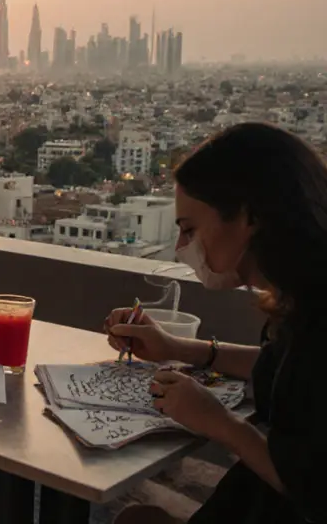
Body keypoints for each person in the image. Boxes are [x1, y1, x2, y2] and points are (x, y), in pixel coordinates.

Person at [107, 123, 327, 524]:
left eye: (190, 229)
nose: (180, 248)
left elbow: (315, 489)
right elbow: (281, 366)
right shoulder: (303, 300)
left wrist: (221, 424)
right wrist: (177, 349)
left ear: (249, 216)